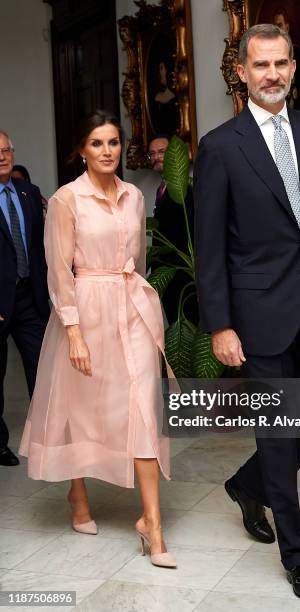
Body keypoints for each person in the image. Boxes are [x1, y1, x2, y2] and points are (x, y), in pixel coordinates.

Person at [194, 24, 300, 606]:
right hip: (256, 316)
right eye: (261, 65)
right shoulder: (220, 146)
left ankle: (245, 486)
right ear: (241, 73)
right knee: (275, 433)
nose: (273, 75)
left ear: (294, 67)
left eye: (282, 64)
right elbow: (209, 247)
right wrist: (220, 324)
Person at [19, 110, 176, 569]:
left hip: (132, 308)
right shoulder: (68, 200)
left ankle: (153, 523)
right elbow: (57, 270)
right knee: (81, 406)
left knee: (145, 409)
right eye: (96, 144)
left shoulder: (133, 197)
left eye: (112, 143)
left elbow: (139, 261)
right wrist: (73, 331)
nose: (106, 152)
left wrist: (140, 303)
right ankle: (77, 492)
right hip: (86, 310)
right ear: (82, 151)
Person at [0, 132, 49, 467]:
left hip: (30, 297)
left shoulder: (29, 193)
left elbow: (40, 249)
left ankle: (45, 439)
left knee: (41, 369)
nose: (2, 156)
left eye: (5, 150)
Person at [148, 136, 198, 326]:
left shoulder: (187, 188)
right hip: (168, 277)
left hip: (186, 279)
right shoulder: (162, 188)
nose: (156, 157)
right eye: (152, 153)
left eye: (161, 152)